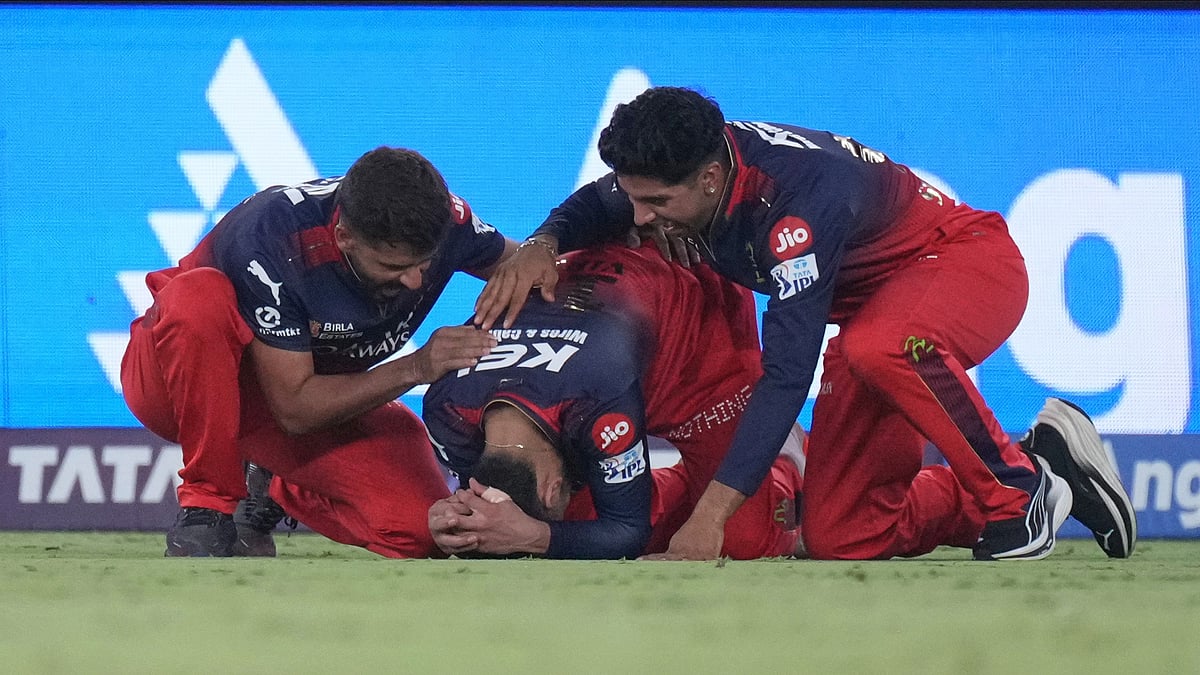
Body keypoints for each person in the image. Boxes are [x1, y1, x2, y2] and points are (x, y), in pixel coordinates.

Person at [473, 87, 1136, 561]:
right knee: (844, 535)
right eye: (635, 198)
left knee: (879, 347)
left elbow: (788, 375)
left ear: (710, 179)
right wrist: (542, 242)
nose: (639, 216)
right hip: (874, 318)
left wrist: (709, 519)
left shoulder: (795, 211)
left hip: (966, 263)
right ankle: (1045, 462)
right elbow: (601, 202)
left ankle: (1016, 493)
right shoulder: (690, 164)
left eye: (656, 202)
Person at [121, 146, 519, 557]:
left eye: (426, 263)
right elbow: (294, 409)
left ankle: (272, 481)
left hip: (298, 397)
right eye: (394, 267)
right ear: (344, 237)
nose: (416, 282)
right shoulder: (271, 237)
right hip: (173, 387)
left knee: (423, 531)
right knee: (197, 299)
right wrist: (417, 367)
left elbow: (523, 269)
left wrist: (544, 248)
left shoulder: (445, 219)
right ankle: (206, 509)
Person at [424, 242, 805, 559]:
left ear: (551, 488)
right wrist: (454, 519)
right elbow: (484, 498)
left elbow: (629, 531)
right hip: (613, 334)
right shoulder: (444, 408)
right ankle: (687, 483)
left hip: (697, 333)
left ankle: (785, 457)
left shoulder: (596, 404)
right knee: (580, 528)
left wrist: (535, 537)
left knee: (743, 541)